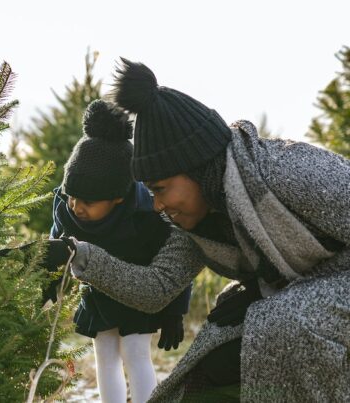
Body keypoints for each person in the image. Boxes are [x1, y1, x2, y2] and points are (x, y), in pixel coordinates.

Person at [65, 59, 350, 401]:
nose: (156, 205)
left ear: (197, 169)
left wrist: (275, 295)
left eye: (160, 189)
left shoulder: (289, 170)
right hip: (303, 308)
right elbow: (156, 288)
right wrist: (79, 254)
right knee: (212, 361)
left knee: (283, 321)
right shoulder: (198, 222)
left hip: (318, 308)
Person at [47, 99, 191, 403]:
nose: (77, 207)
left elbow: (174, 266)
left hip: (138, 295)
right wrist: (49, 278)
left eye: (89, 201)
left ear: (118, 198)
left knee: (136, 353)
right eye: (73, 196)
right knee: (105, 354)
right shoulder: (66, 210)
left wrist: (174, 312)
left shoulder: (147, 216)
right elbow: (56, 246)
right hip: (98, 295)